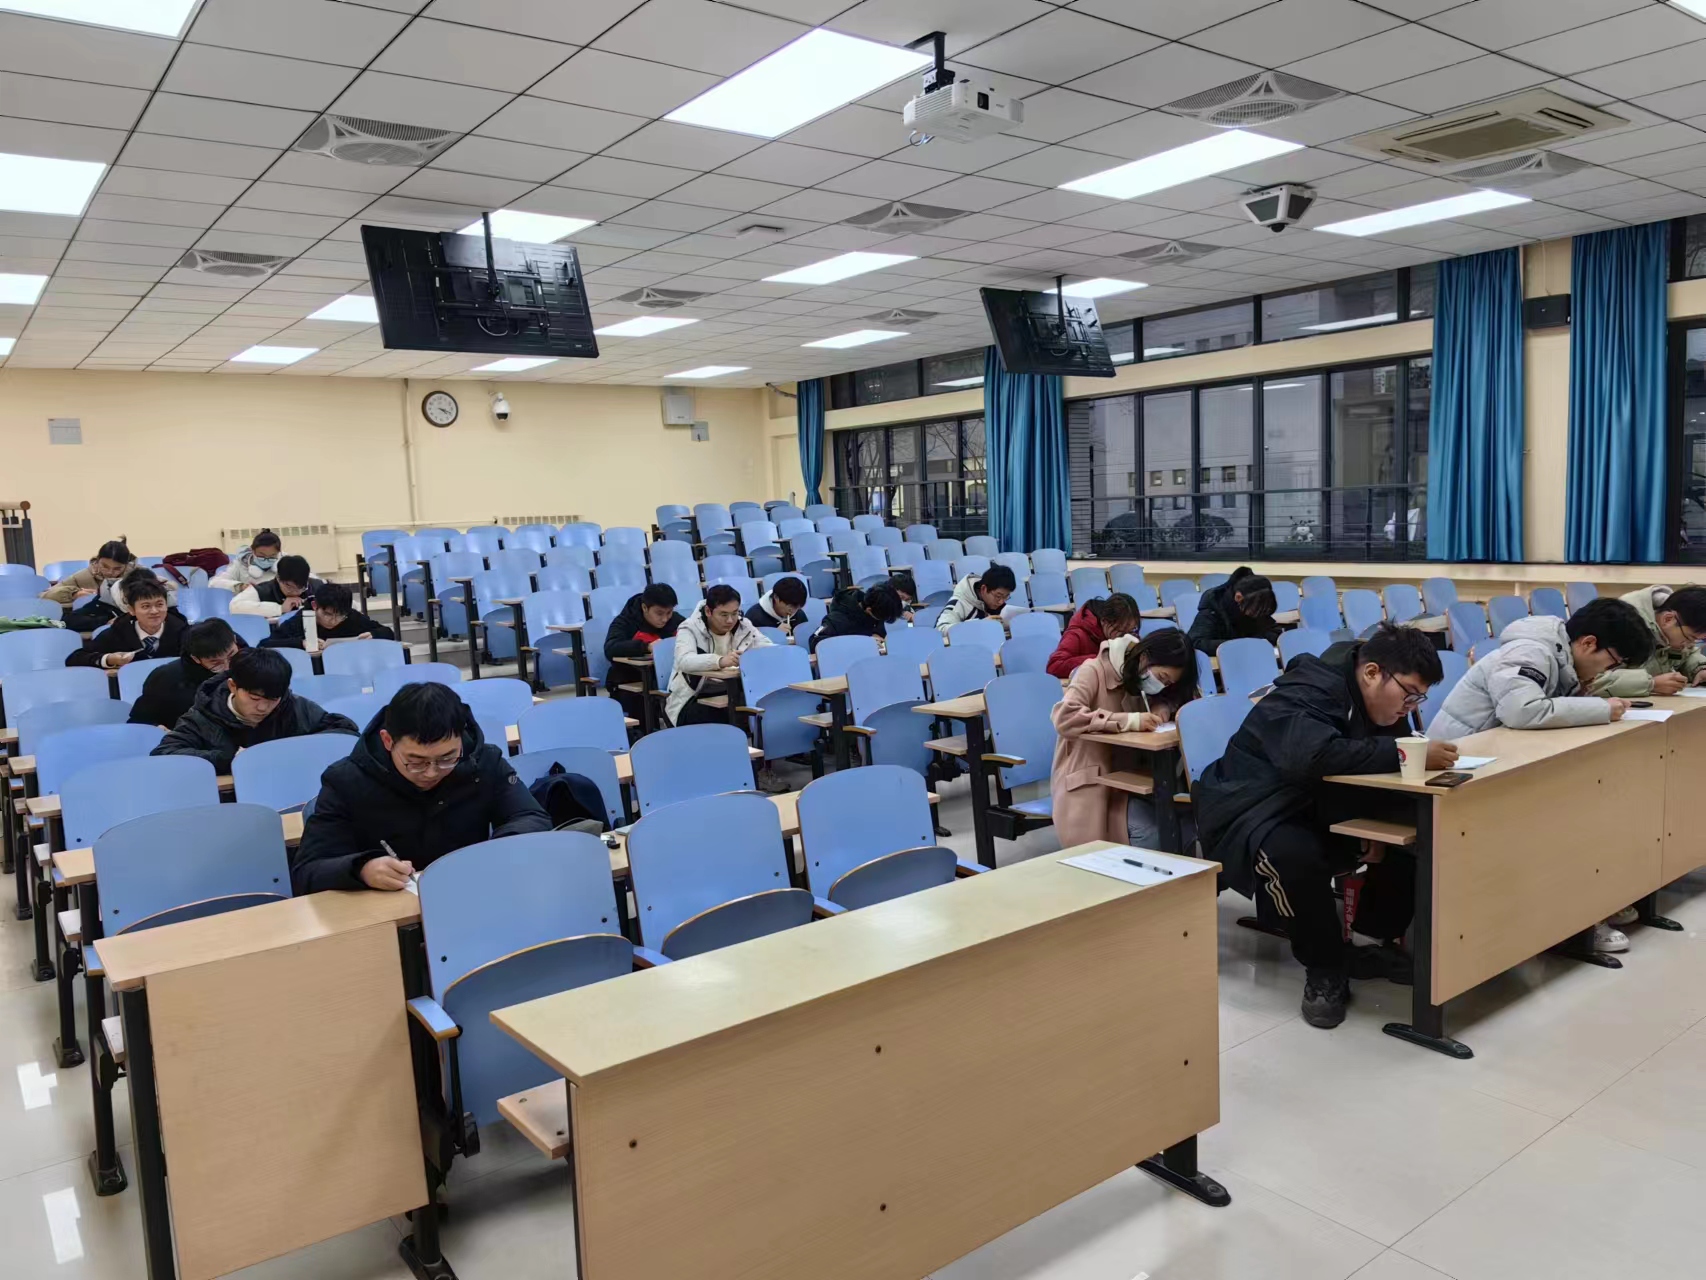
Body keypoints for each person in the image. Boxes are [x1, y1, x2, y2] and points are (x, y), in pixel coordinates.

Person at [1197, 623, 1458, 1030]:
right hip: (1251, 806)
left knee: (1418, 825)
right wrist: (1400, 754)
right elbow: (1312, 758)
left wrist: (1373, 821)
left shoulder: (1382, 702)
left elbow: (1375, 763)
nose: (1410, 707)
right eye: (1408, 694)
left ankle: (1369, 938)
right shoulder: (1308, 689)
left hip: (1313, 801)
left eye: (1418, 698)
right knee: (1292, 856)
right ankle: (1325, 966)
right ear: (1372, 673)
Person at [1427, 596, 1654, 955]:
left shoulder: (1561, 657)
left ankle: (1585, 910)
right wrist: (1598, 708)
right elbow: (1522, 711)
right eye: (1612, 662)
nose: (1609, 671)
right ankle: (1575, 918)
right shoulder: (1530, 652)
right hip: (1460, 772)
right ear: (1588, 643)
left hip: (1500, 764)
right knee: (1569, 820)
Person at [289, 682, 550, 894]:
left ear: (461, 738)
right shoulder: (346, 781)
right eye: (415, 761)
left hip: (473, 893)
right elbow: (307, 871)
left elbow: (531, 816)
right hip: (389, 914)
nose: (431, 772)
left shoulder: (484, 762)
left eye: (447, 758)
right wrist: (361, 869)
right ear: (388, 740)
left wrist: (498, 849)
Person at [1051, 627, 1198, 849]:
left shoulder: (1141, 680)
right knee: (1154, 834)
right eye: (1161, 678)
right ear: (1145, 657)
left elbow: (1184, 698)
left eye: (1167, 684)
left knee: (1186, 825)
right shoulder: (1093, 671)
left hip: (1131, 782)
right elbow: (1064, 717)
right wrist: (1128, 721)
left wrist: (1164, 705)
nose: (1160, 685)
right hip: (1092, 786)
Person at [152, 647, 358, 774]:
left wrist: (293, 751)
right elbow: (165, 754)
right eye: (254, 698)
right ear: (233, 686)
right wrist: (229, 759)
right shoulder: (202, 717)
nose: (262, 708)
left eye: (272, 699)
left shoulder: (294, 706)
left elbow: (345, 732)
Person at [667, 583, 773, 729]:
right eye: (723, 615)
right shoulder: (689, 628)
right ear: (708, 611)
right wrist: (720, 661)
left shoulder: (744, 625)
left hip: (733, 693)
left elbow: (769, 648)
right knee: (723, 718)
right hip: (693, 698)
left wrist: (750, 657)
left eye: (735, 613)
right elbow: (684, 661)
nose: (730, 620)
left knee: (764, 709)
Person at [1586, 585, 1706, 697]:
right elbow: (1590, 680)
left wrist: (1700, 669)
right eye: (1690, 638)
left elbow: (1687, 654)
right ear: (1668, 619)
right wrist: (1651, 683)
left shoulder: (1673, 629)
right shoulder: (1620, 625)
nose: (1691, 644)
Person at [129, 617, 242, 728]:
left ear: (235, 640)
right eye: (216, 663)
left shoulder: (248, 664)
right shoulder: (165, 679)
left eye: (232, 656)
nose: (227, 668)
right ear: (196, 659)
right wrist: (157, 728)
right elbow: (139, 721)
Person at [65, 569, 186, 668]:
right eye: (146, 606)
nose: (154, 611)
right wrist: (109, 659)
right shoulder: (119, 630)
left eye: (159, 605)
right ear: (131, 610)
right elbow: (75, 659)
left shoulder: (182, 630)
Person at [605, 583, 684, 720]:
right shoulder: (625, 621)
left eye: (669, 612)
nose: (665, 619)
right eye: (659, 613)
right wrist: (646, 647)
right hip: (631, 679)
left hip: (666, 678)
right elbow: (610, 648)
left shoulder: (675, 620)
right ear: (644, 608)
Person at [262, 580, 394, 648]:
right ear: (315, 606)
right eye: (327, 614)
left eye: (340, 616)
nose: (333, 620)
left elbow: (388, 632)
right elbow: (265, 644)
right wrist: (301, 643)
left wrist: (374, 634)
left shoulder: (351, 616)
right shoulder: (302, 620)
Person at [1188, 566, 1280, 656]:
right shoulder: (1213, 609)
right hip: (1222, 660)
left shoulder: (1257, 609)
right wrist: (1239, 644)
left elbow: (1274, 631)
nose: (1258, 614)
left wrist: (1256, 642)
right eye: (1255, 608)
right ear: (1238, 597)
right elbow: (1196, 642)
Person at [1047, 592, 1141, 679]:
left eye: (1131, 630)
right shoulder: (1078, 634)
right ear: (1104, 621)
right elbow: (1054, 666)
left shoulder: (1129, 635)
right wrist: (1100, 659)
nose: (1124, 636)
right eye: (1120, 630)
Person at [810, 582, 905, 652]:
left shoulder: (877, 609)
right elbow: (814, 640)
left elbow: (878, 630)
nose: (881, 621)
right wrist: (859, 643)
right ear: (869, 610)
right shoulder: (836, 619)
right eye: (881, 619)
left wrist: (876, 635)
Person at [41, 539, 135, 610]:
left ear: (126, 565)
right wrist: (73, 594)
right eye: (105, 566)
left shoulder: (137, 576)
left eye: (117, 569)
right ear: (97, 560)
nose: (110, 572)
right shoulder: (84, 577)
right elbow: (44, 595)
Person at [232, 553, 321, 618]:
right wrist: (279, 609)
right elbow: (234, 606)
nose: (295, 592)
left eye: (301, 587)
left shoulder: (317, 585)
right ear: (278, 578)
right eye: (289, 586)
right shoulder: (262, 590)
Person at [934, 564, 1015, 633]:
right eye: (998, 596)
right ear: (984, 589)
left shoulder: (998, 604)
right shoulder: (959, 602)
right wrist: (978, 625)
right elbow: (940, 629)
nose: (1001, 602)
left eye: (1006, 597)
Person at [215, 529, 282, 591]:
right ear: (252, 551)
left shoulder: (284, 563)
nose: (266, 560)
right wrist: (240, 586)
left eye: (272, 556)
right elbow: (215, 582)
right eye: (262, 556)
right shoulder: (240, 563)